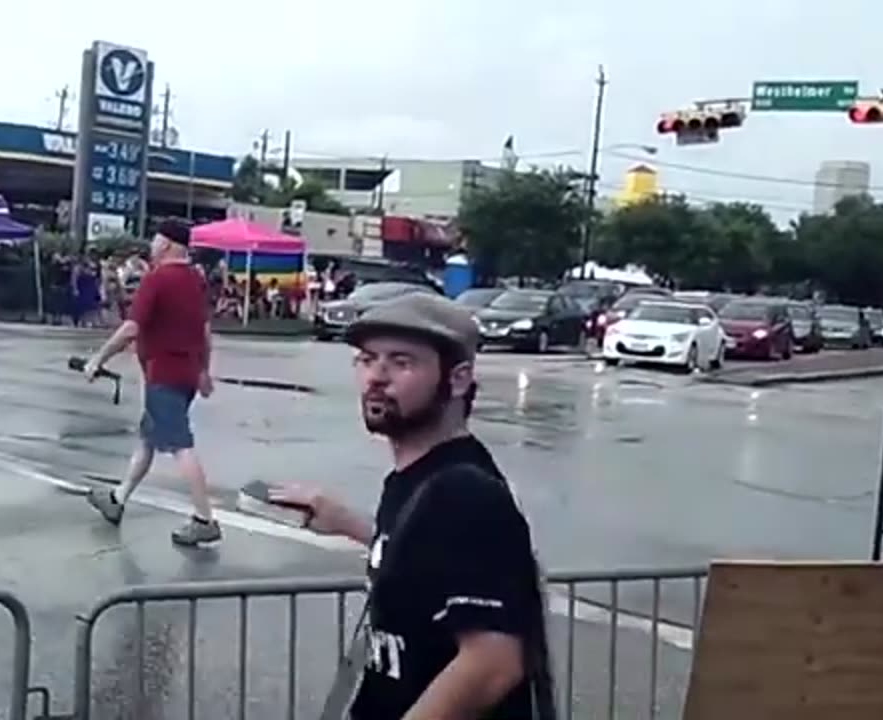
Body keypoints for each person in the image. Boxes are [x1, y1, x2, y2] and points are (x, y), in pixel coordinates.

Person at [273, 293, 554, 720]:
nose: (376, 378)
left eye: (401, 362)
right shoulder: (416, 481)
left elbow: (492, 663)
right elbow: (428, 562)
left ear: (457, 380)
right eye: (367, 360)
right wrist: (348, 522)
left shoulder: (465, 492)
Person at [82, 219, 221, 547]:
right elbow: (204, 331)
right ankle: (118, 499)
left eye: (156, 239)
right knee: (148, 438)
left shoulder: (157, 279)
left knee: (179, 444)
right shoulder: (195, 280)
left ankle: (204, 519)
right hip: (185, 373)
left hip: (163, 373)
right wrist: (203, 371)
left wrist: (97, 359)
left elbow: (131, 328)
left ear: (169, 244)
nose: (152, 245)